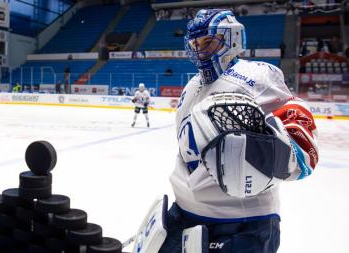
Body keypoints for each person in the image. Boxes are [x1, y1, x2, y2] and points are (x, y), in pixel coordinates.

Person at [132, 9, 319, 253]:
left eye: (208, 42)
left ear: (232, 40)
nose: (200, 50)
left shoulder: (256, 76)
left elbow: (300, 144)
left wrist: (267, 151)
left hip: (241, 224)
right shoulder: (192, 85)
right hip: (183, 213)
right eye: (195, 44)